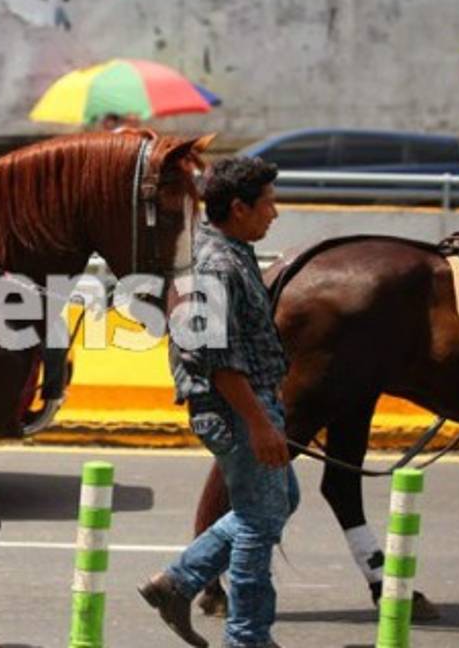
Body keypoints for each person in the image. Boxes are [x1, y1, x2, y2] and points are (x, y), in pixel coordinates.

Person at [138, 157, 299, 648]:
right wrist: (260, 424)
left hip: (248, 402)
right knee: (258, 518)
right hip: (234, 407)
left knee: (280, 500)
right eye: (268, 203)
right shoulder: (216, 263)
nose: (275, 213)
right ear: (238, 207)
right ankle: (247, 638)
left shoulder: (230, 250)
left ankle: (178, 582)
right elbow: (218, 358)